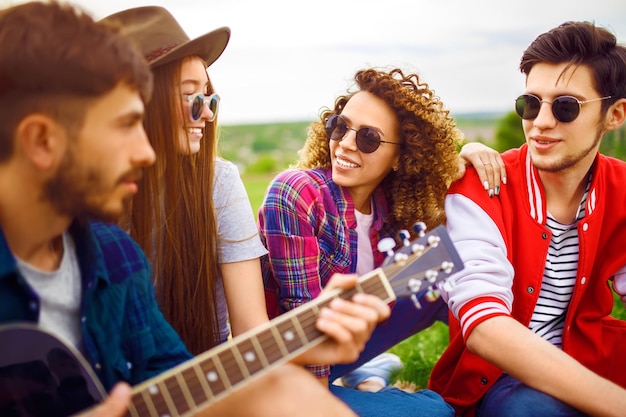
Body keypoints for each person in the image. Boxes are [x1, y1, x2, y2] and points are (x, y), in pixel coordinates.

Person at [0, 2, 391, 417]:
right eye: (124, 124)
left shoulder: (115, 257)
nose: (144, 150)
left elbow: (180, 382)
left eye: (210, 99)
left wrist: (299, 340)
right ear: (41, 141)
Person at [258, 66, 501, 415]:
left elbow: (451, 220)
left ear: (403, 157)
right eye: (340, 126)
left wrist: (471, 156)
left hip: (347, 339)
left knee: (450, 267)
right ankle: (371, 379)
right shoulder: (297, 193)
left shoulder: (389, 205)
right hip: (288, 365)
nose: (344, 143)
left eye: (368, 138)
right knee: (434, 413)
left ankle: (494, 376)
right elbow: (305, 330)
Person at [429, 21, 626, 417]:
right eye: (530, 104)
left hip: (592, 360)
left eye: (566, 106)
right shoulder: (480, 187)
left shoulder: (621, 187)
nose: (541, 122)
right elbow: (485, 326)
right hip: (502, 382)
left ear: (614, 114)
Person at [101, 6, 269, 355]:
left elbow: (252, 329)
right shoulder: (83, 202)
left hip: (199, 384)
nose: (207, 113)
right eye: (192, 97)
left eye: (209, 97)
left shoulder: (217, 182)